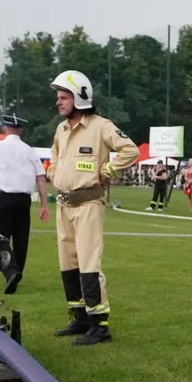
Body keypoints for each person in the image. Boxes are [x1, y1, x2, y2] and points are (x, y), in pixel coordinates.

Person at [48, 69, 140, 345]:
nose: (58, 102)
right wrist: (54, 173)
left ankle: (100, 325)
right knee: (68, 263)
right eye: (59, 97)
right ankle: (79, 317)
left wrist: (109, 168)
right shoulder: (61, 129)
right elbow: (53, 156)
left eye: (63, 97)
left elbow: (131, 150)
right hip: (64, 206)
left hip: (88, 204)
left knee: (89, 263)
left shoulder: (101, 126)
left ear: (78, 99)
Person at [0, 113, 50, 294]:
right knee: (21, 238)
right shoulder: (30, 150)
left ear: (4, 129)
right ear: (21, 130)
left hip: (3, 198)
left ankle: (11, 271)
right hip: (24, 200)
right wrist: (44, 205)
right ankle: (17, 271)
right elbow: (41, 179)